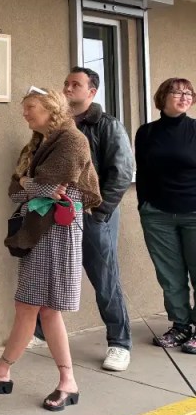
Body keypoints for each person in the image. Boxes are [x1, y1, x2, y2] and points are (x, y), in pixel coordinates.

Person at [0, 88, 101, 412]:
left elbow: (43, 186)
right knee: (32, 306)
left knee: (39, 307)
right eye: (25, 108)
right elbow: (15, 191)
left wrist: (31, 185)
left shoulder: (73, 141)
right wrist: (33, 186)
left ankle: (54, 379)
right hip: (39, 230)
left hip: (57, 231)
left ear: (52, 108)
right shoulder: (37, 144)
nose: (25, 114)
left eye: (31, 107)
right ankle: (9, 372)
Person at [33, 68, 134, 372]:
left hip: (92, 215)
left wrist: (99, 212)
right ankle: (39, 330)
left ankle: (119, 343)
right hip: (56, 213)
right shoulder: (55, 127)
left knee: (105, 278)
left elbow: (122, 173)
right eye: (65, 83)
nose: (67, 88)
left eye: (75, 85)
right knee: (51, 272)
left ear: (92, 92)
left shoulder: (107, 125)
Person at [135, 77, 196, 352]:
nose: (184, 97)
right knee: (170, 276)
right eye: (177, 92)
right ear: (163, 96)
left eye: (188, 93)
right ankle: (181, 327)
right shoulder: (146, 133)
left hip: (193, 213)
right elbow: (143, 173)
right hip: (157, 215)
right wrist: (144, 205)